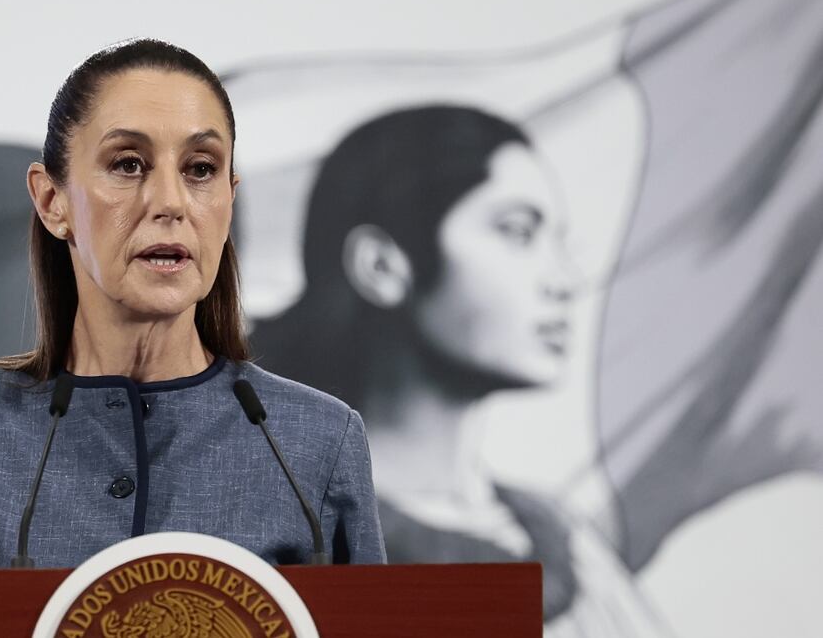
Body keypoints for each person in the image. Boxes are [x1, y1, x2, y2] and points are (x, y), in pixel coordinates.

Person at [0, 39, 385, 569]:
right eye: (129, 163)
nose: (170, 202)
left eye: (200, 169)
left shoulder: (319, 440)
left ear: (230, 201)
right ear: (52, 202)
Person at [252, 106, 673, 636]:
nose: (565, 280)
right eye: (517, 232)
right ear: (381, 266)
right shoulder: (280, 541)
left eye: (559, 242)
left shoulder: (566, 539)